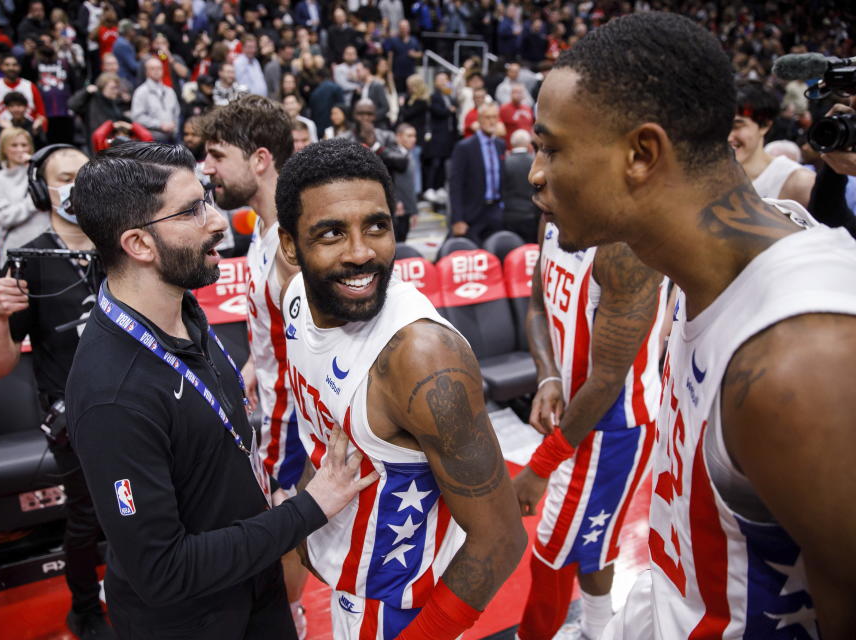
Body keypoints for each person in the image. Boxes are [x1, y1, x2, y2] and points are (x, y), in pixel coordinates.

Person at [527, 13, 856, 639]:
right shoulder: (697, 268)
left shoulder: (800, 361)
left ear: (642, 153)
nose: (537, 174)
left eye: (553, 147)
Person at [66, 140, 374, 639]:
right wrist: (309, 508)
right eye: (191, 210)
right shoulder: (111, 395)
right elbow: (162, 570)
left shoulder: (181, 310)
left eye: (206, 198)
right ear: (139, 245)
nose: (216, 220)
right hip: (196, 623)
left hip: (255, 588)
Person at [276, 137, 526, 639]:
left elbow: (500, 539)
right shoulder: (297, 300)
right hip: (344, 577)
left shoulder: (422, 357)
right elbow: (322, 435)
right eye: (330, 233)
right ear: (290, 246)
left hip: (402, 609)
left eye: (377, 226)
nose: (361, 253)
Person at [514, 210, 667, 640]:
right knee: (595, 547)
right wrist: (548, 375)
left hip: (613, 428)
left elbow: (606, 382)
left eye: (553, 149)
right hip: (579, 419)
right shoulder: (550, 216)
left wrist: (540, 467)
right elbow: (537, 306)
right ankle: (600, 631)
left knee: (550, 550)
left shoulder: (624, 246)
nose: (535, 171)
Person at [0, 144, 112, 640]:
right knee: (87, 516)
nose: (75, 186)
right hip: (71, 415)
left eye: (84, 175)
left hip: (133, 406)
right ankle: (83, 609)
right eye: (64, 177)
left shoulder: (120, 244)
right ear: (40, 188)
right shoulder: (27, 260)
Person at [200, 93, 311, 637]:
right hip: (271, 403)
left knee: (283, 529)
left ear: (260, 159)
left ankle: (292, 620)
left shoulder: (294, 240)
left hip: (294, 422)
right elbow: (273, 330)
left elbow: (316, 345)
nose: (207, 168)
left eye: (217, 155)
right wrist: (253, 365)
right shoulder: (261, 232)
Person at [729, 81, 815, 208]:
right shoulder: (704, 176)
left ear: (764, 125)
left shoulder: (798, 182)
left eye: (737, 126)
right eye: (720, 126)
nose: (728, 137)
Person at [0, 128, 49, 266]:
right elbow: (4, 216)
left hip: (46, 245)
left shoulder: (42, 174)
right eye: (14, 145)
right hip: (16, 247)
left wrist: (35, 167)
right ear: (4, 150)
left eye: (24, 145)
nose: (20, 149)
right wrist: (33, 202)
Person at [448, 103, 504, 243]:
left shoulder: (500, 145)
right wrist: (457, 218)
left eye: (494, 117)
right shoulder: (464, 147)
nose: (491, 121)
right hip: (472, 213)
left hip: (496, 210)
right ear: (479, 119)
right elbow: (455, 185)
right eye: (487, 117)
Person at [0, 54, 47, 158]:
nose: (11, 68)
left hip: (29, 136)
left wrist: (40, 130)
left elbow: (41, 114)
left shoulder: (29, 86)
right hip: (1, 136)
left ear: (19, 67)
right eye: (7, 65)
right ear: (1, 67)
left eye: (14, 65)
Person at [338, 99, 407, 173]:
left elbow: (401, 163)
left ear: (375, 116)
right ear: (354, 115)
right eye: (360, 114)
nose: (365, 118)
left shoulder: (387, 136)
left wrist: (375, 146)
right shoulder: (343, 138)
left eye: (369, 114)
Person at [501, 129, 538, 243]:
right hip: (531, 212)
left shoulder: (505, 162)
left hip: (510, 213)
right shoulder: (534, 162)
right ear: (528, 143)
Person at [131, 57, 180, 143]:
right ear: (146, 72)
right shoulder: (141, 92)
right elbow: (137, 117)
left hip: (172, 134)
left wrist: (174, 126)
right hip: (153, 136)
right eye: (152, 68)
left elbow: (176, 113)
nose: (156, 71)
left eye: (159, 68)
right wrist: (160, 125)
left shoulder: (170, 91)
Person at [393, 122, 420, 242]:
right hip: (397, 209)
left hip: (406, 209)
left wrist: (414, 210)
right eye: (409, 136)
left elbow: (410, 186)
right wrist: (395, 201)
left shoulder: (409, 155)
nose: (413, 139)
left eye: (414, 136)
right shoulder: (392, 156)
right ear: (398, 137)